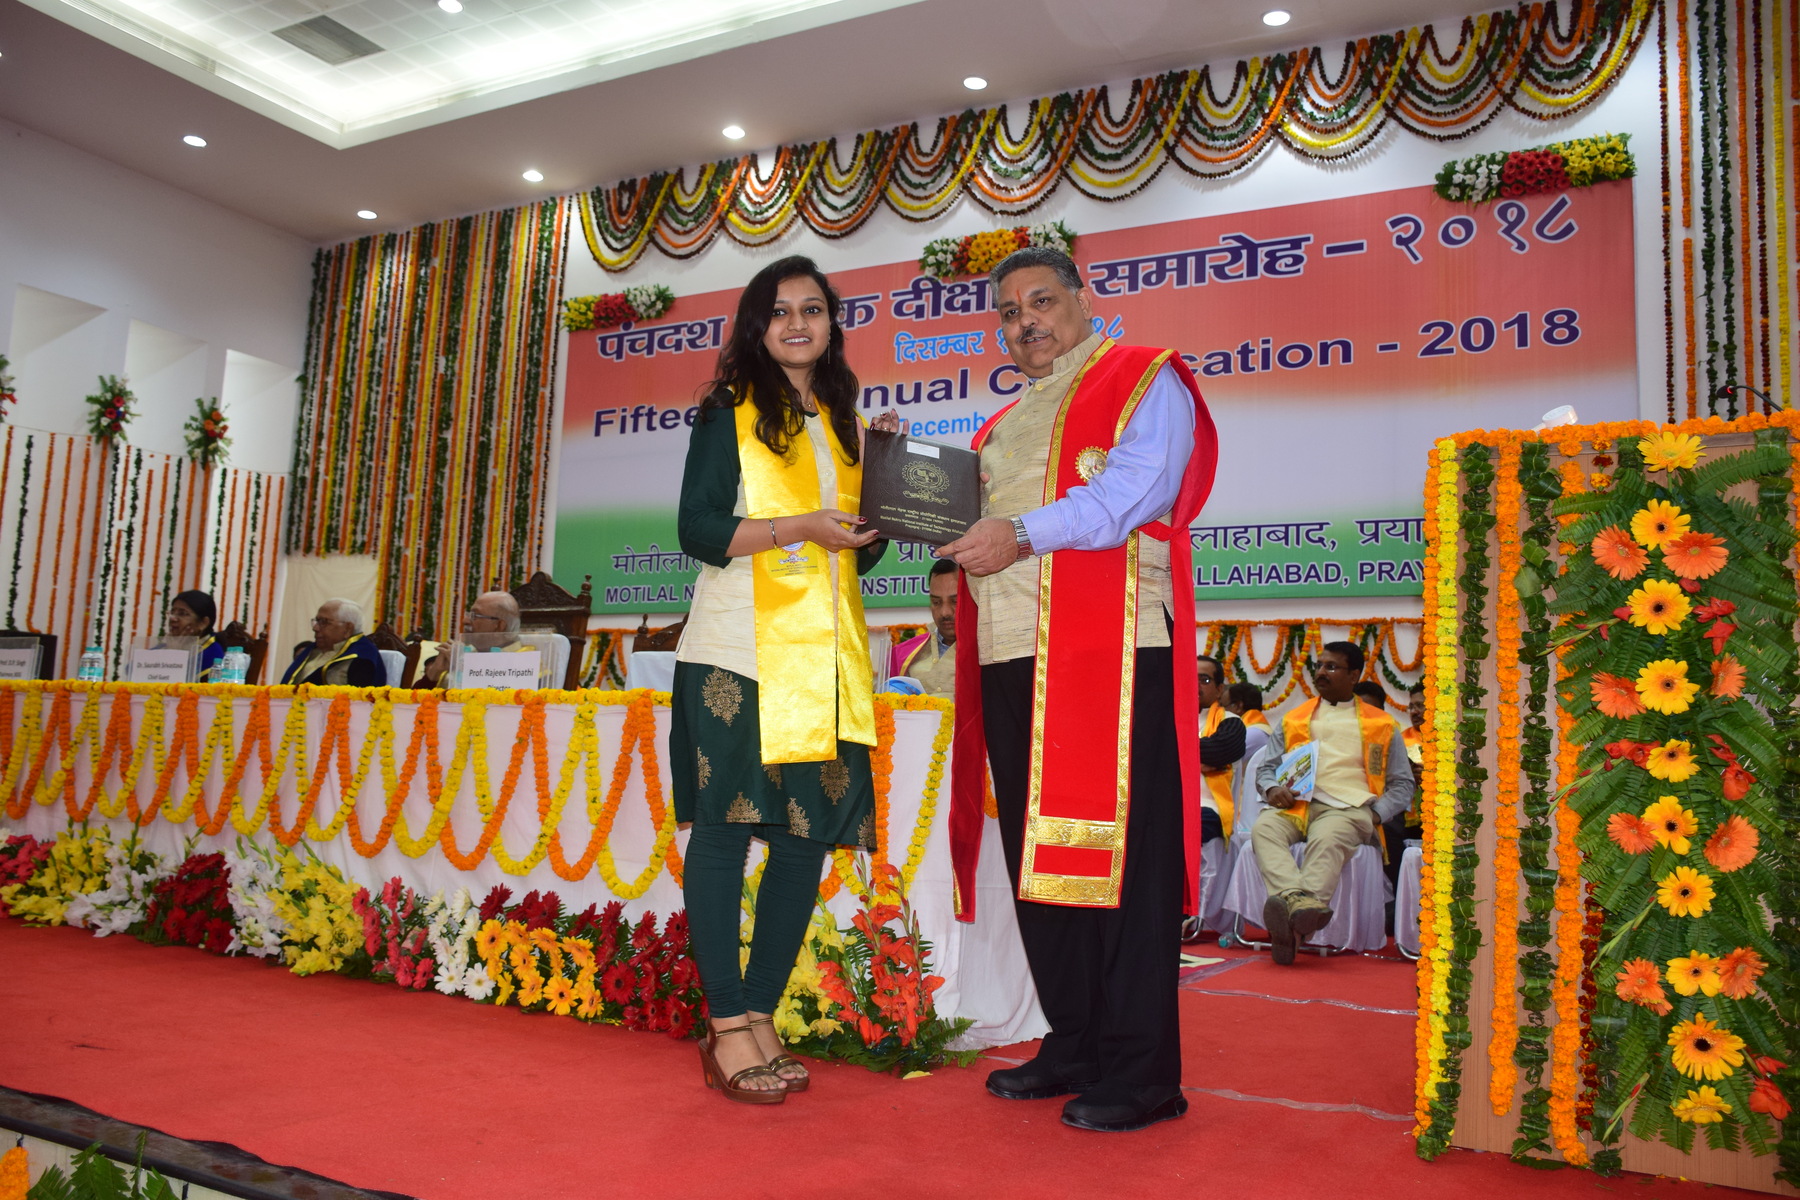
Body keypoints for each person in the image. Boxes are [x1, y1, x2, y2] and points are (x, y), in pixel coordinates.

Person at [939, 246, 1217, 1133]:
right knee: (1042, 859)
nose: (1026, 322)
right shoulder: (999, 425)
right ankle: (1076, 1041)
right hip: (1011, 654)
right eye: (1009, 312)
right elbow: (968, 526)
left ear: (1084, 299)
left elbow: (1136, 492)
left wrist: (1018, 534)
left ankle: (1143, 1072)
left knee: (1125, 865)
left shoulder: (1141, 379)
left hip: (1111, 651)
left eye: (1041, 301)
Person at [670, 255, 897, 1105]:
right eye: (779, 311)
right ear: (756, 327)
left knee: (804, 839)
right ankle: (726, 1023)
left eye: (813, 309)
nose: (797, 323)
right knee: (726, 833)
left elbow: (861, 555)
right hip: (736, 652)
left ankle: (761, 1012)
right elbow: (698, 529)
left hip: (823, 658)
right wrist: (799, 525)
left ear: (833, 323)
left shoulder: (846, 421)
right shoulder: (727, 409)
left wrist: (886, 484)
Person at [1252, 641, 1413, 964]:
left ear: (1354, 675)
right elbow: (1266, 769)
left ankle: (1292, 925)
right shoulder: (1294, 719)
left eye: (1331, 667)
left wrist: (1377, 814)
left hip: (1347, 809)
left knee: (1326, 840)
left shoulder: (1382, 724)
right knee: (1263, 828)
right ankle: (1296, 906)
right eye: (1319, 665)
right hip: (1296, 805)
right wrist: (1271, 789)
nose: (1321, 672)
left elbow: (1402, 784)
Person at [1182, 654, 1245, 942]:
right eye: (1190, 677)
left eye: (1204, 679)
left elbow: (1223, 749)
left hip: (1209, 807)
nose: (1195, 685)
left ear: (1219, 689)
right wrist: (1199, 758)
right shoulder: (1168, 718)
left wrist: (1179, 754)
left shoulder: (1230, 722)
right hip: (1171, 804)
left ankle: (1187, 914)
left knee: (1187, 824)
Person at [418, 591, 525, 688]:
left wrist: (467, 668)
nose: (465, 621)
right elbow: (414, 700)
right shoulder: (458, 654)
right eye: (469, 614)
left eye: (475, 615)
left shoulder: (524, 664)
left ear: (500, 625)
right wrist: (433, 674)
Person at [1382, 681, 1428, 892]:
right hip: (1405, 816)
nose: (1415, 712)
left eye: (1420, 705)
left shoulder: (1448, 739)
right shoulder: (1401, 739)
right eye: (1411, 707)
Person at [887, 558, 957, 696]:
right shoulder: (903, 655)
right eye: (936, 602)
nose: (945, 612)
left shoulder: (988, 652)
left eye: (955, 601)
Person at [279, 599, 384, 687]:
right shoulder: (311, 651)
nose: (315, 628)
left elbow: (359, 701)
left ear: (348, 629)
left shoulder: (362, 657)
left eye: (324, 622)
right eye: (317, 621)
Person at [165, 590, 225, 681]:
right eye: (172, 613)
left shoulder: (213, 654)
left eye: (182, 614)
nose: (173, 619)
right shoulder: (161, 647)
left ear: (203, 623)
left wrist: (176, 655)